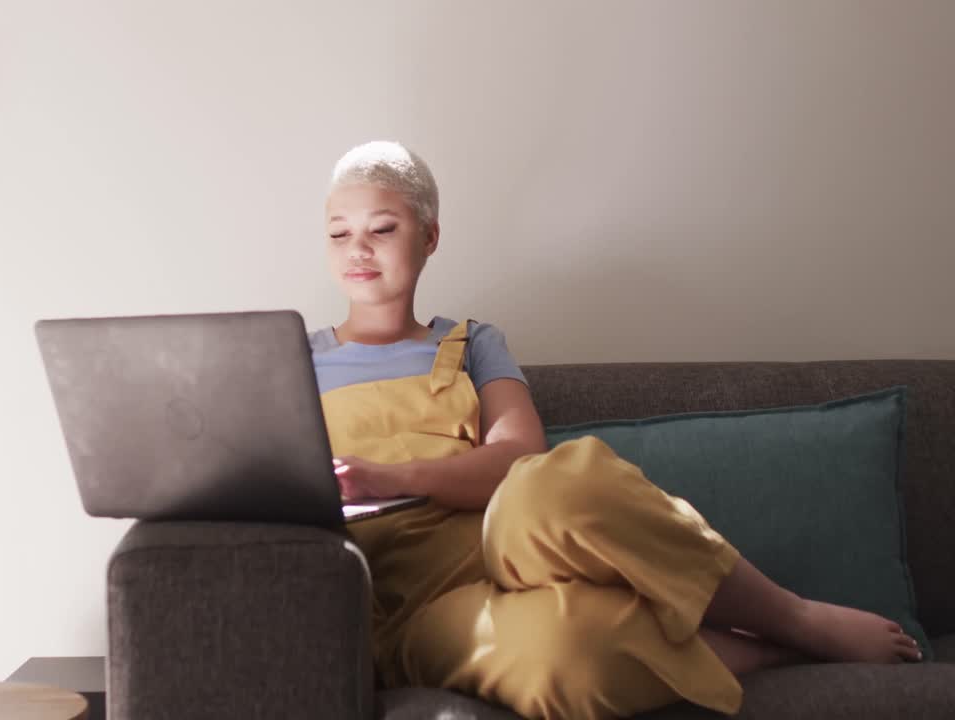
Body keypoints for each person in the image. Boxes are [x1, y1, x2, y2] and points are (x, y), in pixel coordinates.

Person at [307, 140, 922, 720]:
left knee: (561, 483)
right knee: (563, 646)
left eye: (381, 229)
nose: (358, 249)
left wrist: (394, 475)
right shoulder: (292, 361)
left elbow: (519, 456)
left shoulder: (472, 342)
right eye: (339, 234)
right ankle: (771, 653)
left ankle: (795, 618)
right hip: (406, 608)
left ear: (430, 236)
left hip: (497, 544)